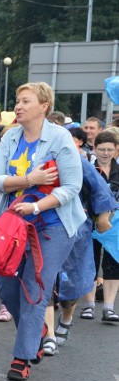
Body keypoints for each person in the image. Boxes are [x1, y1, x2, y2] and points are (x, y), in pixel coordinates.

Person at [0, 82, 83, 381]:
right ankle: (37, 330)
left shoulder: (60, 138)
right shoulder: (10, 136)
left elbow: (71, 187)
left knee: (34, 287)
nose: (18, 106)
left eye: (25, 101)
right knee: (6, 286)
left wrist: (37, 206)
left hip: (53, 226)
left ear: (43, 106)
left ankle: (22, 357)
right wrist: (30, 179)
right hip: (14, 225)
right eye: (17, 101)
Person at [76, 131, 119, 323]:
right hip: (89, 221)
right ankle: (88, 305)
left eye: (110, 149)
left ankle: (109, 308)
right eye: (102, 149)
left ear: (116, 150)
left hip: (116, 225)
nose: (106, 153)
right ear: (94, 149)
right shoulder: (87, 169)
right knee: (90, 262)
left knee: (113, 265)